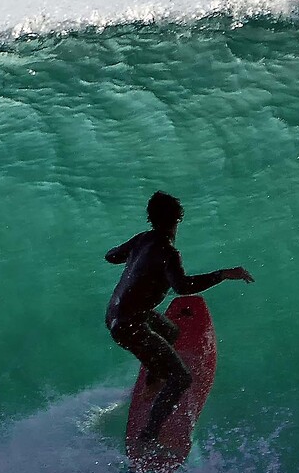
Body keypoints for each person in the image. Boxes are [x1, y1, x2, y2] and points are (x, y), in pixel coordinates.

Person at [105, 191, 253, 448]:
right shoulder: (168, 253)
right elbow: (182, 286)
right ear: (177, 220)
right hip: (131, 326)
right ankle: (149, 435)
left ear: (151, 218)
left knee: (171, 333)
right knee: (181, 378)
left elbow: (112, 256)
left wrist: (129, 255)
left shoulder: (142, 239)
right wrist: (224, 274)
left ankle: (154, 374)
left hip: (116, 316)